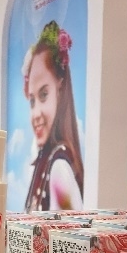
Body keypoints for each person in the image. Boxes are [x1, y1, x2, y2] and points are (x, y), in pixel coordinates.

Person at [22, 20, 84, 212]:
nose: (36, 114)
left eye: (43, 95)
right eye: (32, 101)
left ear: (60, 89)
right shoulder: (47, 160)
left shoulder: (58, 169)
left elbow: (69, 231)